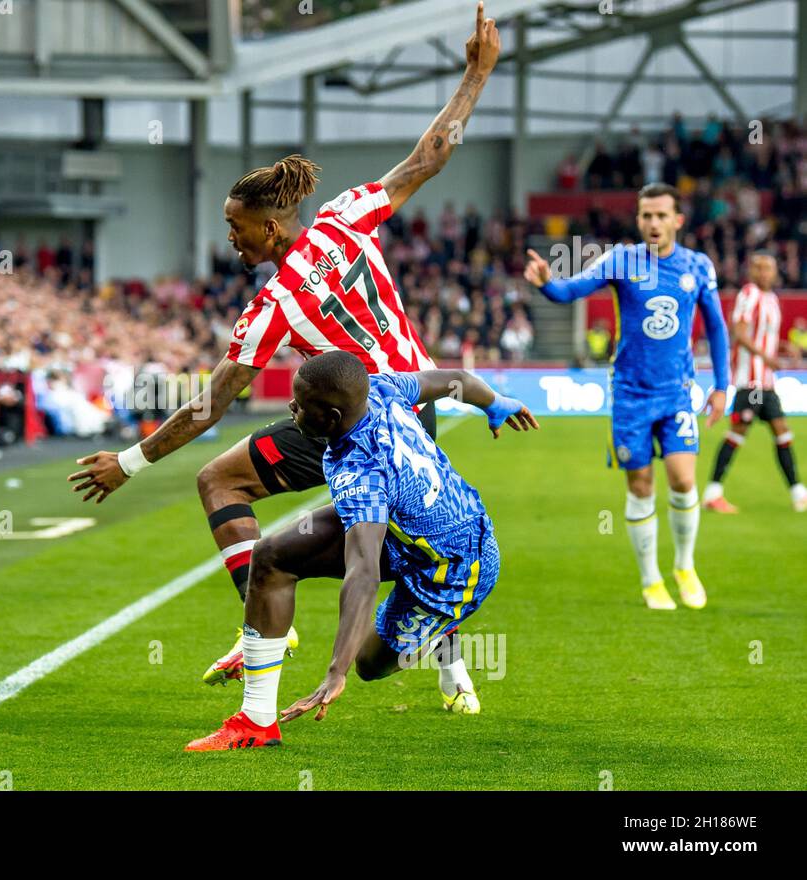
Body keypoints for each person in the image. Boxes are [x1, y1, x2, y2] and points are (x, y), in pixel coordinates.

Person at [70, 2, 502, 695]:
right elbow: (431, 156)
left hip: (360, 421)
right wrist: (476, 77)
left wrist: (128, 462)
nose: (232, 241)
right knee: (403, 537)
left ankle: (264, 632)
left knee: (222, 481)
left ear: (271, 229)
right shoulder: (346, 216)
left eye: (237, 229)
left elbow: (210, 405)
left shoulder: (273, 309)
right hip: (413, 405)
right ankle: (452, 669)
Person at [186, 352, 537, 750]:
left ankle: (441, 627)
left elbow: (364, 571)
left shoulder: (360, 471)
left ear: (331, 417)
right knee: (270, 556)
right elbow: (455, 378)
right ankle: (257, 722)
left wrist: (337, 672)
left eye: (300, 406)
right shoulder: (382, 387)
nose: (291, 408)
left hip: (452, 570)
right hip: (407, 524)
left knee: (368, 665)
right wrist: (495, 403)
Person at [523, 183, 730, 611]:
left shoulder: (698, 266)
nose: (653, 223)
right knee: (640, 487)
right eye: (645, 216)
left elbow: (717, 328)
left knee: (684, 480)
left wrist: (722, 386)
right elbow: (571, 291)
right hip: (631, 395)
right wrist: (546, 283)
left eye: (660, 215)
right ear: (638, 220)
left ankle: (684, 566)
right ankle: (651, 579)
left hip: (677, 392)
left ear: (678, 220)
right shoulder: (621, 259)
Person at [702, 252, 806, 513]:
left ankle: (798, 493)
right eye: (758, 268)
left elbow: (762, 337)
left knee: (783, 433)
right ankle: (712, 494)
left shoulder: (772, 300)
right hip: (750, 382)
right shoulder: (748, 294)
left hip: (766, 384)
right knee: (737, 434)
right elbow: (739, 332)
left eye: (768, 268)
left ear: (775, 272)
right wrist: (766, 358)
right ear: (751, 272)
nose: (763, 273)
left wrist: (783, 347)